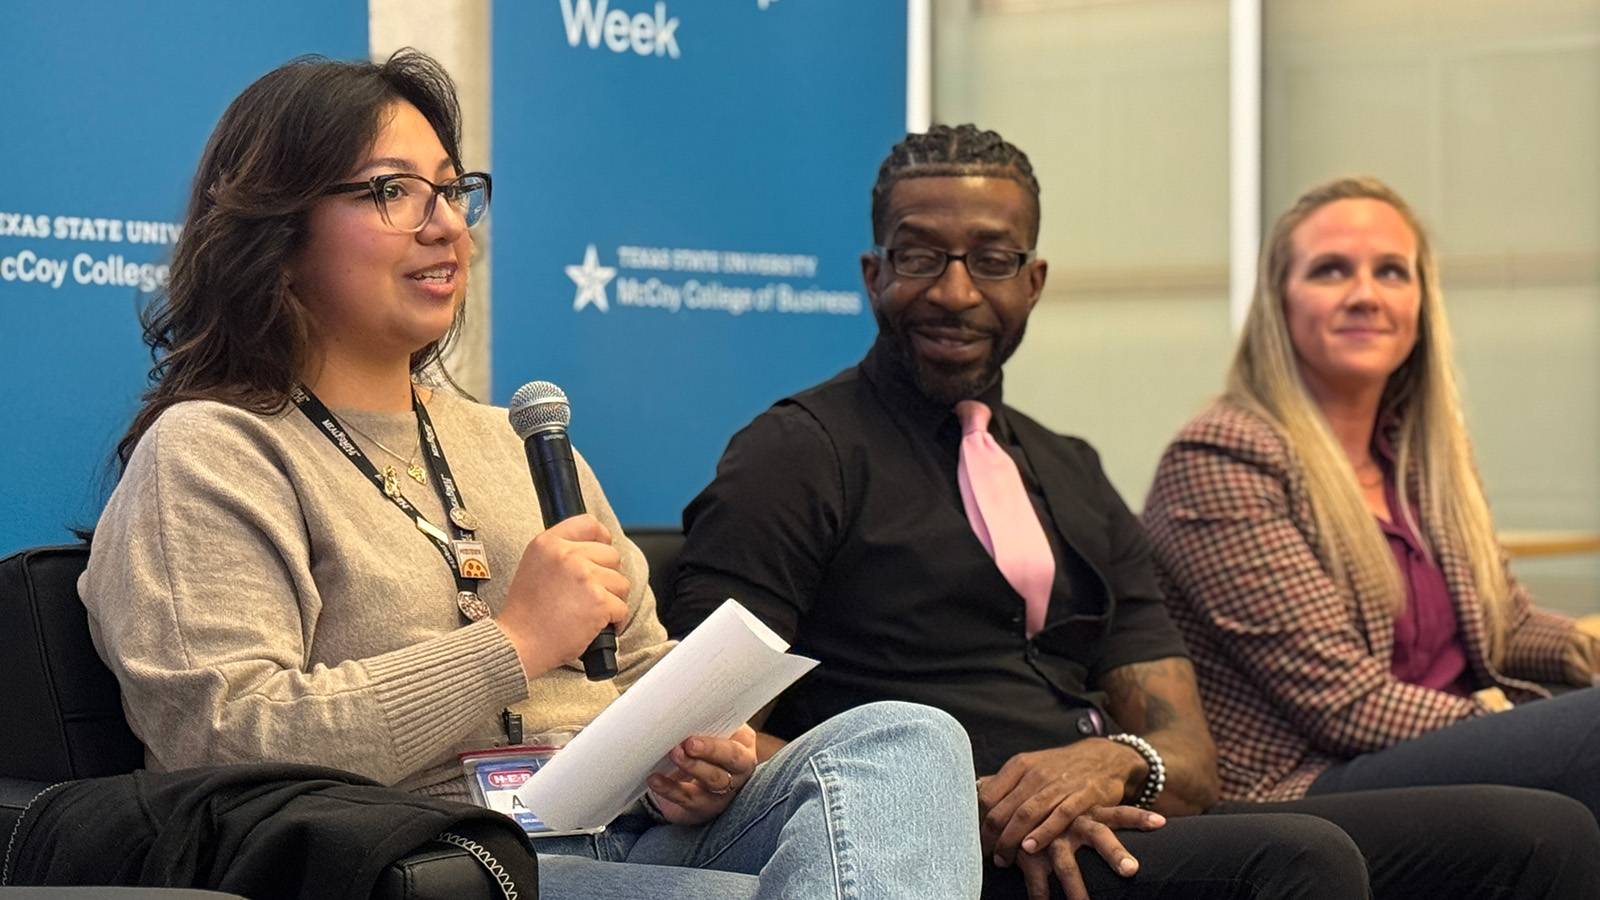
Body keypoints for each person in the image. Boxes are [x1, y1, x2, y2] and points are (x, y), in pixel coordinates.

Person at [79, 50, 983, 900]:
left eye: (450, 190)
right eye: (393, 191)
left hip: (626, 830)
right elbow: (225, 739)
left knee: (908, 737)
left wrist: (703, 755)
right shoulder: (213, 451)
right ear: (278, 230)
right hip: (434, 860)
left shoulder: (519, 439)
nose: (445, 226)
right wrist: (511, 643)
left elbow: (642, 671)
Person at [661, 126, 1600, 900]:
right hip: (944, 849)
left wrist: (1115, 761)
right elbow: (695, 730)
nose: (954, 291)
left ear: (1033, 282)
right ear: (873, 273)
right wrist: (944, 795)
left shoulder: (1069, 470)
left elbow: (1193, 758)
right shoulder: (795, 453)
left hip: (1117, 813)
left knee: (1539, 835)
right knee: (1300, 862)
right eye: (920, 256)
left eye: (991, 260)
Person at [1141, 176, 1600, 815]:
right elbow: (1345, 705)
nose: (1365, 296)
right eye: (1330, 271)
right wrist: (1523, 722)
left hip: (1440, 749)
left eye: (1391, 272)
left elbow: (1503, 625)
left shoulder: (1423, 453)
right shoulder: (1222, 457)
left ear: (1420, 302)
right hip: (1310, 786)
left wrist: (1586, 648)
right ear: (1279, 302)